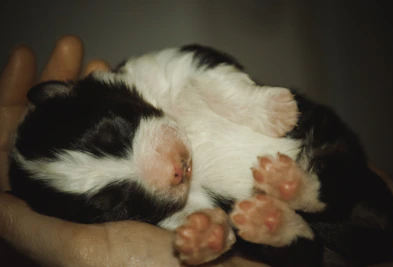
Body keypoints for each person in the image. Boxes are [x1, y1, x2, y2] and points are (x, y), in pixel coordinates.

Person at [0, 35, 268, 267]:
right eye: (117, 200)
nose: (168, 170)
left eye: (115, 134)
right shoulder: (167, 215)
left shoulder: (153, 80)